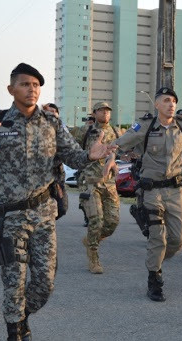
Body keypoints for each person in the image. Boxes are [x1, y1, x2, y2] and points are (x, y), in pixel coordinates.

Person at [0, 63, 115, 340]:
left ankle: (21, 315)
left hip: (44, 216)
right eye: (25, 84)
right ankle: (15, 331)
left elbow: (73, 157)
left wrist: (90, 156)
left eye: (36, 85)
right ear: (11, 89)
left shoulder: (51, 122)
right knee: (14, 282)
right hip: (10, 218)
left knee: (45, 283)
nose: (32, 89)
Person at [111, 87, 182, 302]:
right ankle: (154, 278)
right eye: (166, 100)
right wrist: (109, 155)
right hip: (152, 191)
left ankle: (155, 259)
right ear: (157, 104)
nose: (171, 104)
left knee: (178, 240)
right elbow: (121, 143)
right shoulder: (146, 126)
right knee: (158, 236)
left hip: (175, 191)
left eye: (174, 101)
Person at [76, 101, 120, 274]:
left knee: (112, 222)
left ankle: (91, 239)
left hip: (108, 182)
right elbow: (74, 151)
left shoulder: (116, 131)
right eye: (101, 110)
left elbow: (117, 150)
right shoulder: (85, 131)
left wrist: (113, 159)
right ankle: (93, 257)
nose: (105, 113)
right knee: (96, 220)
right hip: (89, 181)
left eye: (108, 110)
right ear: (94, 113)